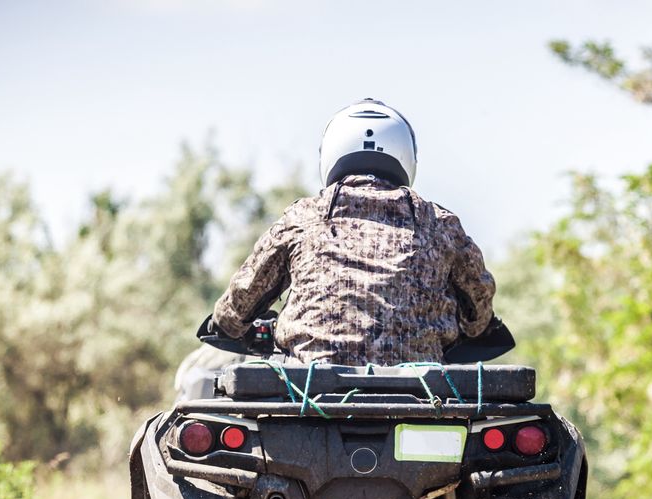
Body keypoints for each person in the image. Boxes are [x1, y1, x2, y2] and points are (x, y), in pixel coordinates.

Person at [211, 99, 496, 366]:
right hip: (421, 396)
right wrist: (472, 326)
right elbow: (478, 307)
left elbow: (241, 301)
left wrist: (225, 323)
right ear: (407, 156)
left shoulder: (303, 218)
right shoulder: (439, 224)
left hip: (309, 393)